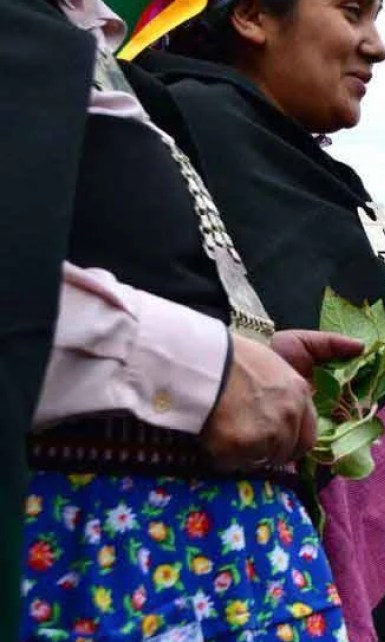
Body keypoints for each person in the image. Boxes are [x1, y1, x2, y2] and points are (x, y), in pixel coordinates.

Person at [136, 2, 385, 640]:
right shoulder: (202, 127)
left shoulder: (294, 162)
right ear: (251, 15)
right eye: (353, 11)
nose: (377, 46)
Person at [9, 1, 365, 640]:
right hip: (106, 577)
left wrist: (245, 356)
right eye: (352, 11)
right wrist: (201, 369)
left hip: (230, 570)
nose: (377, 46)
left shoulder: (90, 46)